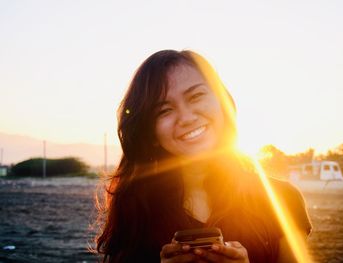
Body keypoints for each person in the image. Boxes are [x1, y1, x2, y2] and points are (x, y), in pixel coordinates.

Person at [96, 50, 312, 262]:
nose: (187, 118)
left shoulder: (281, 198)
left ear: (222, 103)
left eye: (196, 96)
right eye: (164, 110)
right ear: (150, 132)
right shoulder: (135, 206)